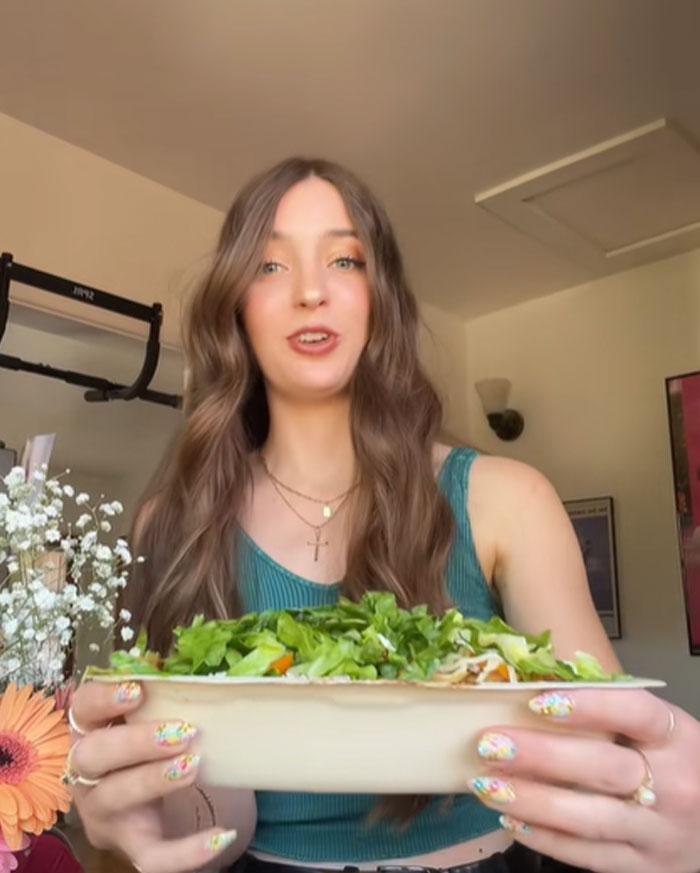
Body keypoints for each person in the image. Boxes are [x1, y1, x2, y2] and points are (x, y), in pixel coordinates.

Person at [67, 158, 700, 873]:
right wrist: (149, 809)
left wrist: (667, 823)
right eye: (270, 266)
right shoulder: (169, 522)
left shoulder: (505, 497)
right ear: (236, 305)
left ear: (381, 296)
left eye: (344, 259)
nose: (310, 291)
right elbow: (220, 819)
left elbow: (609, 759)